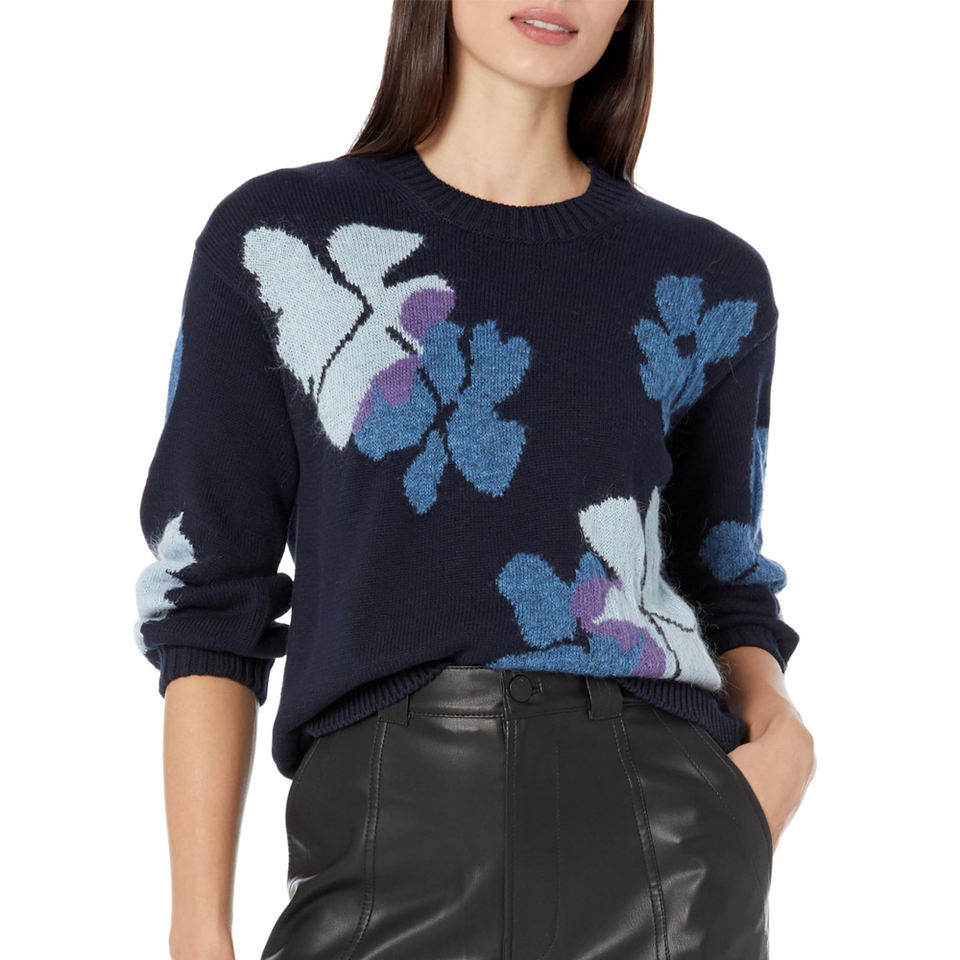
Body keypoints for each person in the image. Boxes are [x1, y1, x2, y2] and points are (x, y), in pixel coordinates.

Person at [133, 2, 816, 958]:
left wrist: (779, 745)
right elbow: (210, 600)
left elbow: (723, 576)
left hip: (669, 850)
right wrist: (198, 929)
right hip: (380, 844)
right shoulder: (280, 239)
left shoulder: (708, 280)